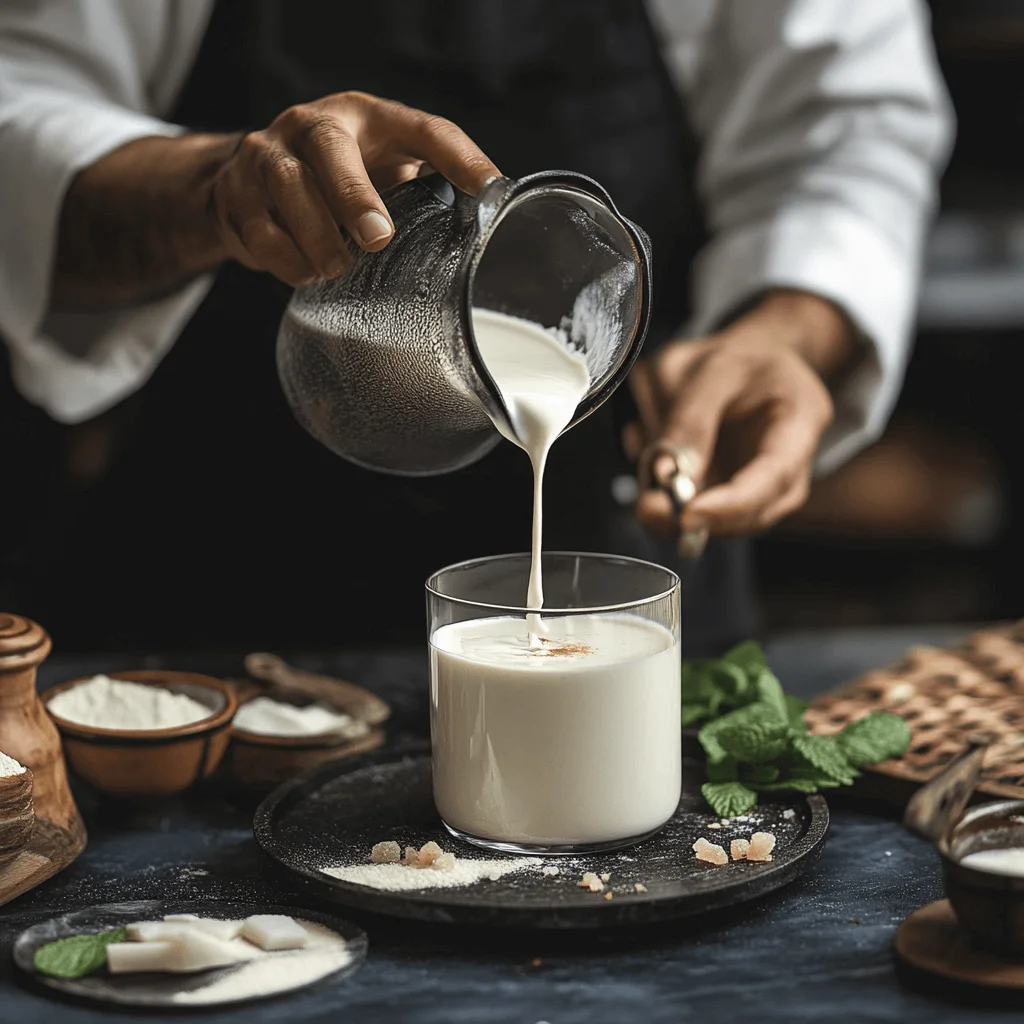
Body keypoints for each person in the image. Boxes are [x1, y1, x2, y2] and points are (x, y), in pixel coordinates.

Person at [0, 1, 952, 653]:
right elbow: (20, 99)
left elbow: (848, 125)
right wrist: (215, 192)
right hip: (224, 569)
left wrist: (782, 332)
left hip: (622, 528)